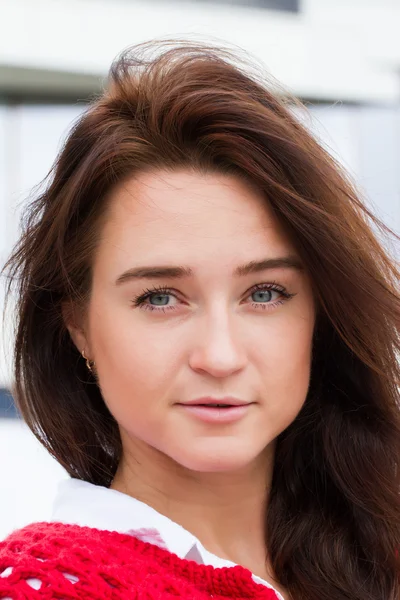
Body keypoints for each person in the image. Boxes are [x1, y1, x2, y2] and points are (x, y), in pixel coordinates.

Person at [0, 40, 399, 600]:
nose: (220, 355)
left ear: (321, 312)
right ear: (78, 325)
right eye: (161, 298)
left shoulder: (377, 547)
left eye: (264, 293)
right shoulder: (47, 585)